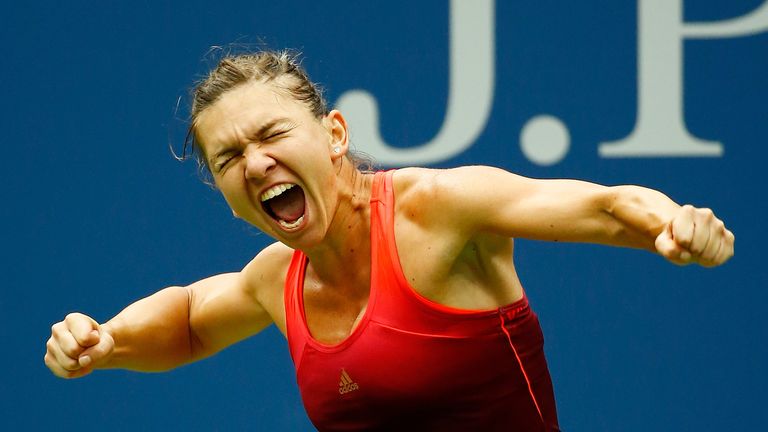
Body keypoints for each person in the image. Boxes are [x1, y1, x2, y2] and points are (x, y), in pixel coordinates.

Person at [44, 50, 734, 431]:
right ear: (226, 194)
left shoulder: (439, 211)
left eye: (272, 136)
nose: (254, 164)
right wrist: (108, 341)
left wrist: (672, 225)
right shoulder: (273, 281)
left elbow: (608, 207)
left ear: (336, 136)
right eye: (228, 159)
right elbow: (193, 319)